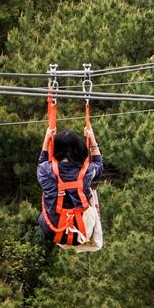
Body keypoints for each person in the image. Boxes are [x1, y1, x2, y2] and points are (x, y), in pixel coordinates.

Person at [38, 97, 103, 250]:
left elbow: (42, 161)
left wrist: (47, 139)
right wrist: (92, 140)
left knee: (46, 212)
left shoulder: (45, 170)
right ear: (80, 149)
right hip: (82, 231)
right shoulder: (87, 171)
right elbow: (100, 167)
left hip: (52, 230)